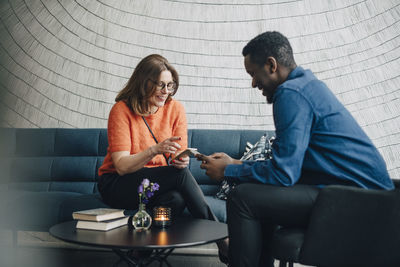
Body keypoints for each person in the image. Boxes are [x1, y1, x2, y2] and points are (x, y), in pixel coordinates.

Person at [197, 31, 394, 267]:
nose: (253, 83)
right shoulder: (307, 86)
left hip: (356, 202)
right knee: (258, 195)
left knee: (242, 198)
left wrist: (229, 171)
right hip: (365, 197)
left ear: (271, 65)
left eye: (253, 74)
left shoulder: (290, 93)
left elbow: (284, 174)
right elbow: (290, 165)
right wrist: (236, 164)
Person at [97, 54, 217, 223]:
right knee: (179, 176)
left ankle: (141, 248)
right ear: (143, 83)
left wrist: (180, 160)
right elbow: (121, 166)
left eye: (169, 85)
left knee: (176, 199)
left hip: (155, 185)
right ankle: (219, 235)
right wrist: (155, 150)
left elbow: (178, 156)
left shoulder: (175, 109)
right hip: (118, 184)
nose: (166, 91)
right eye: (160, 85)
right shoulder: (121, 110)